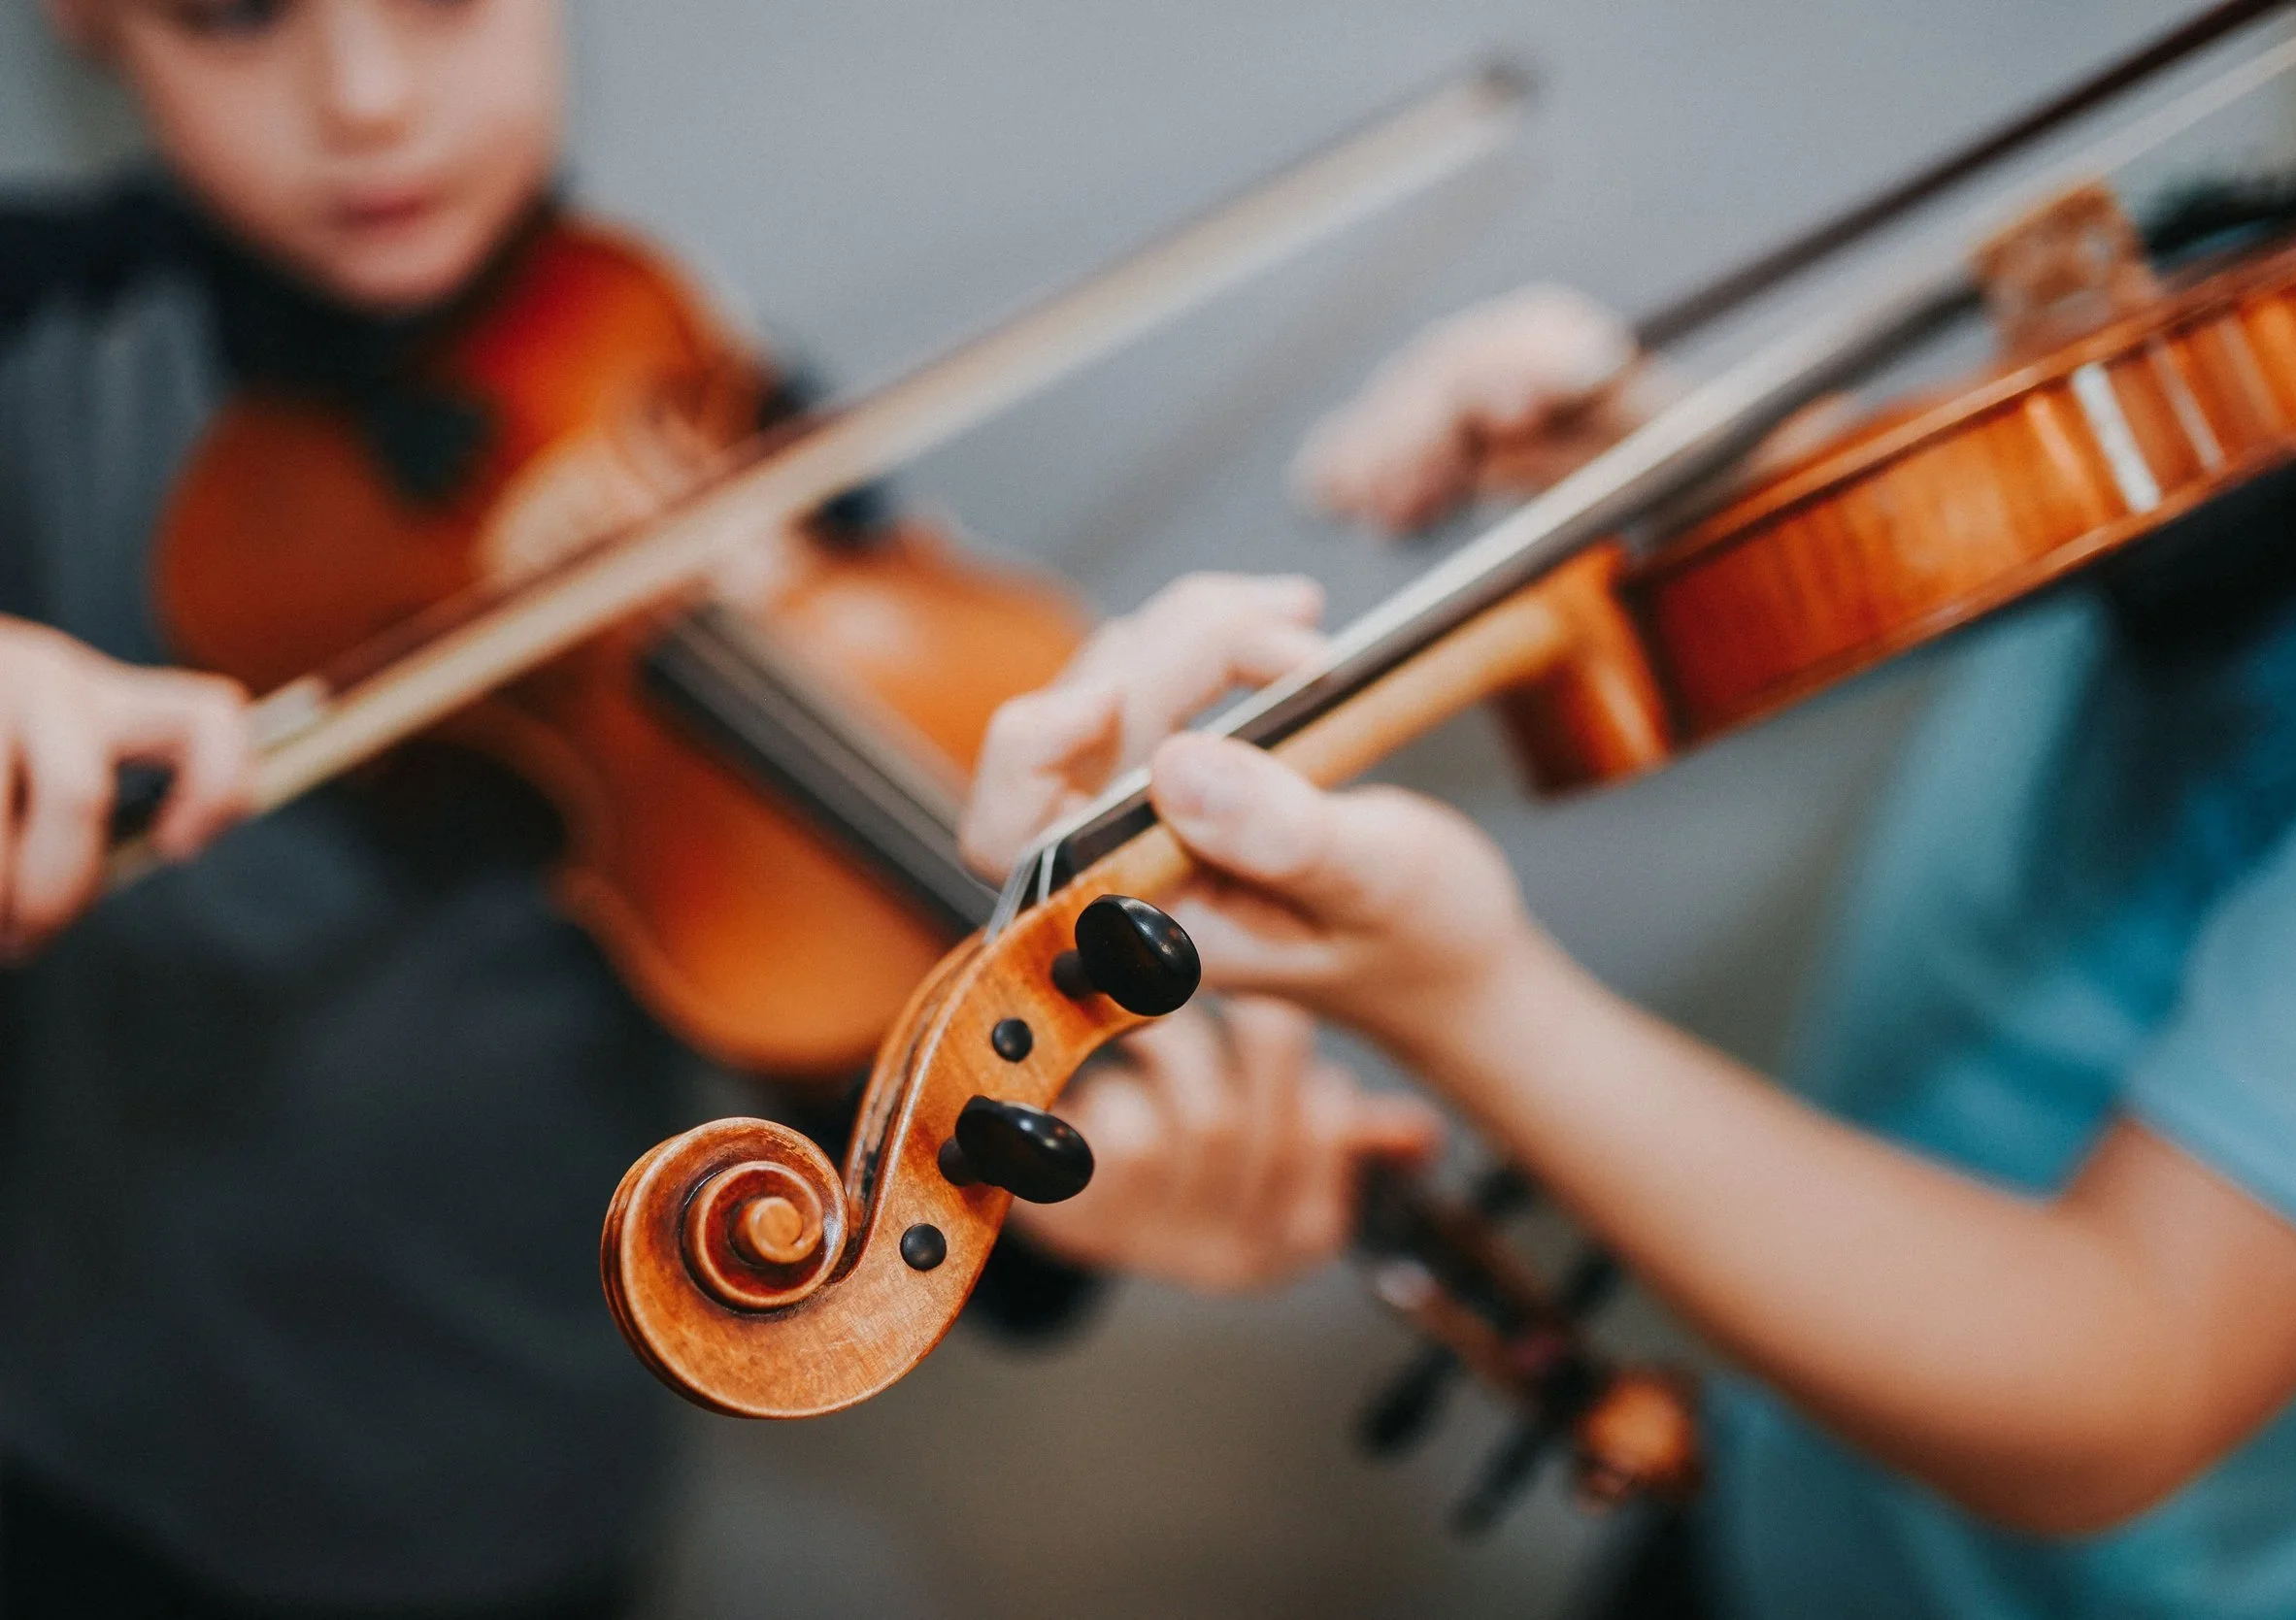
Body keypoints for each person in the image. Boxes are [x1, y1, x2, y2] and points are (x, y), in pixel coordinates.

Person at [960, 11, 2296, 1616]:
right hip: (1786, 1473)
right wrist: (1694, 463)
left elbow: (2130, 1369)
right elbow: (2043, 519)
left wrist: (1472, 1003)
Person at [0, 1, 1437, 1614]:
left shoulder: (713, 404)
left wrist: (1049, 1180)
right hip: (81, 1450)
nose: (368, 98)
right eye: (236, 16)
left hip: (531, 1470)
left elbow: (842, 1021)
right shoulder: (43, 337)